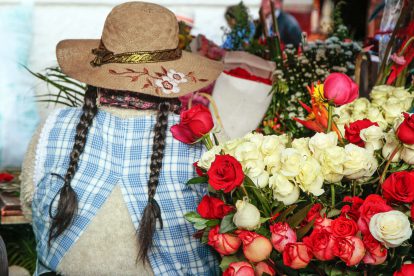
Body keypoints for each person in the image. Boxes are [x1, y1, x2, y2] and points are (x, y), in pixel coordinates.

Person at [20, 2, 223, 275]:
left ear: (98, 69)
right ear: (174, 74)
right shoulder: (200, 143)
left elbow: (29, 207)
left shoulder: (51, 128)